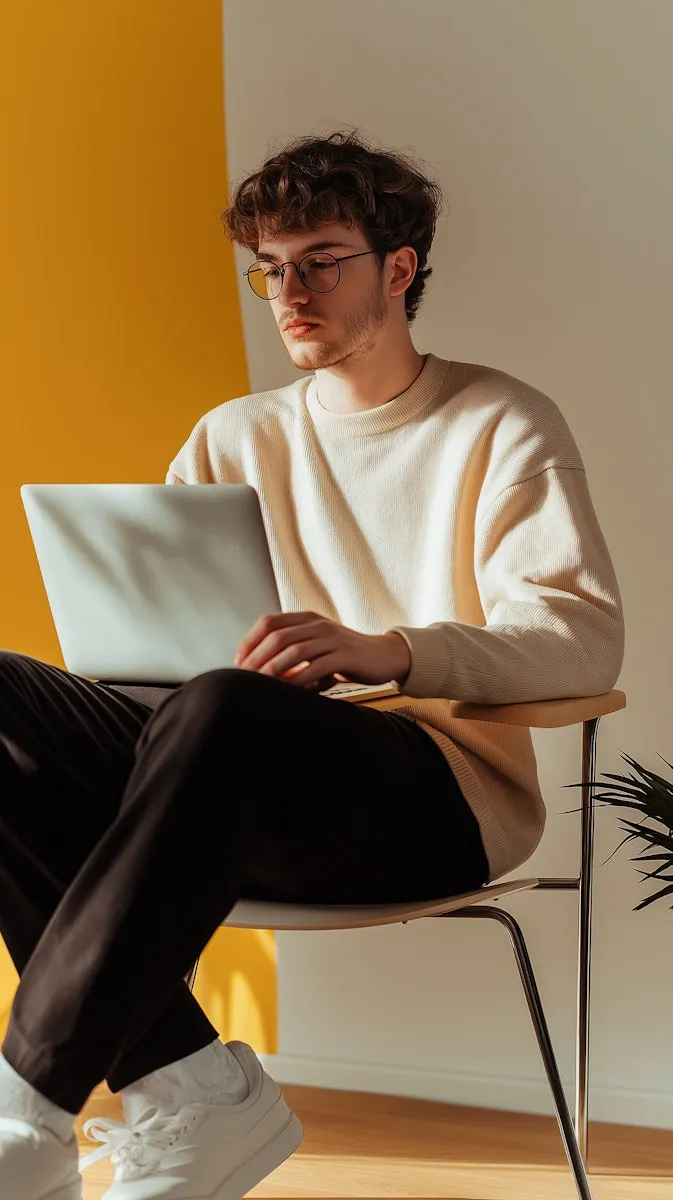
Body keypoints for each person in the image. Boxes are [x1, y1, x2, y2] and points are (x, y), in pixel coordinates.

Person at [0, 130, 624, 1200]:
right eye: (271, 267)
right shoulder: (230, 437)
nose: (288, 290)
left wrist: (394, 651)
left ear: (399, 267)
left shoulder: (500, 422)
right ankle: (197, 1094)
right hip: (222, 774)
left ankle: (25, 1113)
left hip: (434, 793)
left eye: (320, 259)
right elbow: (172, 648)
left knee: (226, 708)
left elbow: (582, 637)